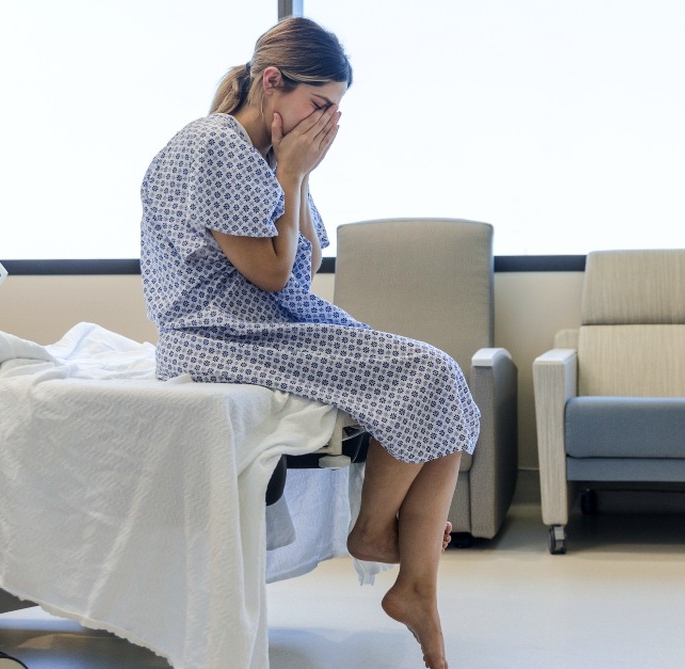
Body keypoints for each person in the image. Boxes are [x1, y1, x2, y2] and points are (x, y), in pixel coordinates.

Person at [139, 17, 478, 669]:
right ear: (272, 82)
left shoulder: (266, 151)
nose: (329, 120)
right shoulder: (213, 145)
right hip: (218, 332)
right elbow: (269, 272)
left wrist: (298, 170)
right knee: (429, 372)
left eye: (336, 109)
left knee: (444, 381)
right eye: (320, 104)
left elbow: (303, 262)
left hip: (273, 320)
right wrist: (292, 174)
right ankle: (379, 536)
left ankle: (410, 581)